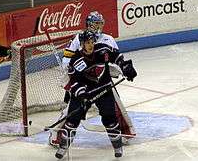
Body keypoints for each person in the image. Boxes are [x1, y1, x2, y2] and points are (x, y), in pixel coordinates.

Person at [49, 11, 136, 147]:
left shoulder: (108, 39)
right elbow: (66, 60)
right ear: (89, 24)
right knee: (73, 110)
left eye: (100, 23)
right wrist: (75, 71)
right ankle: (57, 135)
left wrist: (122, 68)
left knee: (115, 105)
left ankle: (122, 133)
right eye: (96, 23)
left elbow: (116, 58)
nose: (99, 26)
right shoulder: (79, 38)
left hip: (102, 80)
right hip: (82, 81)